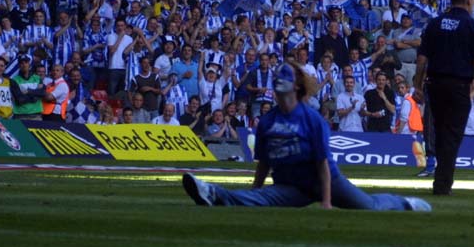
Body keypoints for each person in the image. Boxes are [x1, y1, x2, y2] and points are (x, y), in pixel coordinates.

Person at [182, 63, 431, 212]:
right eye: (278, 91)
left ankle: (404, 203)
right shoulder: (268, 121)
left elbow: (322, 163)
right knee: (257, 199)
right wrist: (256, 192)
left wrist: (326, 200)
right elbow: (265, 163)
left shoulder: (312, 119)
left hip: (326, 181)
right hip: (290, 185)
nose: (281, 97)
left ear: (296, 89)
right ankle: (211, 192)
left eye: (285, 91)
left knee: (369, 206)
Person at [413, 0, 474, 195]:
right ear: (468, 0)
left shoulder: (435, 24)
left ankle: (440, 179)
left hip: (435, 85)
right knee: (452, 135)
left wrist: (418, 86)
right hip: (458, 86)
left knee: (440, 131)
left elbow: (421, 60)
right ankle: (442, 184)